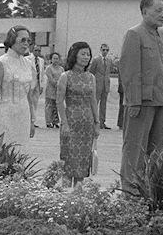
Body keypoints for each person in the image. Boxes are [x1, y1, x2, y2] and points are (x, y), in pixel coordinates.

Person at [119, 0, 163, 193]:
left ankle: (149, 189)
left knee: (156, 150)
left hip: (162, 102)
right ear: (144, 12)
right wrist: (133, 101)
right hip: (142, 102)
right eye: (158, 11)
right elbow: (129, 71)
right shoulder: (134, 34)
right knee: (135, 148)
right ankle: (130, 190)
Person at [57, 42, 99, 185]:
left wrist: (97, 123)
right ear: (74, 55)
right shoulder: (65, 76)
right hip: (70, 123)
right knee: (68, 162)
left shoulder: (91, 77)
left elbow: (93, 101)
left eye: (88, 54)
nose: (86, 57)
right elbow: (59, 101)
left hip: (87, 124)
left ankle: (78, 198)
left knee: (82, 164)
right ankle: (66, 196)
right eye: (83, 54)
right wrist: (64, 123)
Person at [0, 25, 36, 147]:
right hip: (7, 113)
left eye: (28, 40)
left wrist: (32, 120)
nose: (26, 44)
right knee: (5, 150)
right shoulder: (1, 62)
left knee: (22, 151)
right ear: (12, 40)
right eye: (22, 40)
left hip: (24, 113)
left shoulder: (28, 63)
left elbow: (29, 96)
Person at [88, 43, 112, 129]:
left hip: (105, 85)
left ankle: (102, 122)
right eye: (103, 50)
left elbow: (108, 72)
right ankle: (93, 121)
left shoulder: (109, 60)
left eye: (107, 50)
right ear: (100, 50)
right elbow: (91, 72)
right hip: (97, 85)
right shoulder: (96, 60)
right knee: (95, 103)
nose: (105, 52)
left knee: (103, 105)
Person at [27, 45, 46, 128]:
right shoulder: (27, 59)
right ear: (32, 50)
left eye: (39, 50)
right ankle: (28, 120)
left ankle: (33, 120)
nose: (37, 52)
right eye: (36, 50)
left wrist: (41, 85)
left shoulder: (41, 61)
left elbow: (42, 73)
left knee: (35, 103)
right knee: (29, 103)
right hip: (30, 84)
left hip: (37, 84)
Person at [44, 52, 64, 128]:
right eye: (54, 58)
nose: (55, 60)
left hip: (58, 90)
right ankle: (48, 121)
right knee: (49, 106)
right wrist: (57, 84)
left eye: (57, 58)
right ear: (51, 59)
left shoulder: (61, 69)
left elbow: (63, 78)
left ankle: (55, 121)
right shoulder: (49, 68)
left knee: (56, 106)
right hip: (50, 89)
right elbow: (51, 79)